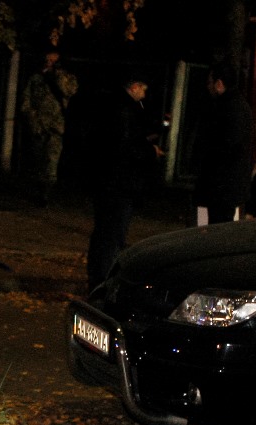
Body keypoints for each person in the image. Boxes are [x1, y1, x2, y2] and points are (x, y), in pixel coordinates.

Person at [86, 73, 163, 290]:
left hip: (108, 182)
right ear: (135, 87)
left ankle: (97, 276)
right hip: (119, 185)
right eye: (143, 89)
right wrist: (150, 151)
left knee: (104, 232)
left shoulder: (111, 105)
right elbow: (125, 147)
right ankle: (102, 281)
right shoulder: (125, 109)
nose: (145, 94)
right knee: (112, 235)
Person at [193, 60, 254, 225]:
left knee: (212, 230)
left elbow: (224, 147)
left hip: (220, 189)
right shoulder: (239, 105)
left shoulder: (226, 108)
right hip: (225, 188)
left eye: (209, 82)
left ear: (219, 84)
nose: (208, 87)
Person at [19, 49, 79, 207]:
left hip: (56, 127)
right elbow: (26, 101)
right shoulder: (36, 78)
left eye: (53, 61)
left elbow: (69, 91)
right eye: (47, 60)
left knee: (51, 160)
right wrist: (32, 119)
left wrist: (57, 75)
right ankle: (38, 187)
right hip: (38, 125)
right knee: (38, 159)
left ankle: (45, 193)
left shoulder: (67, 78)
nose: (49, 63)